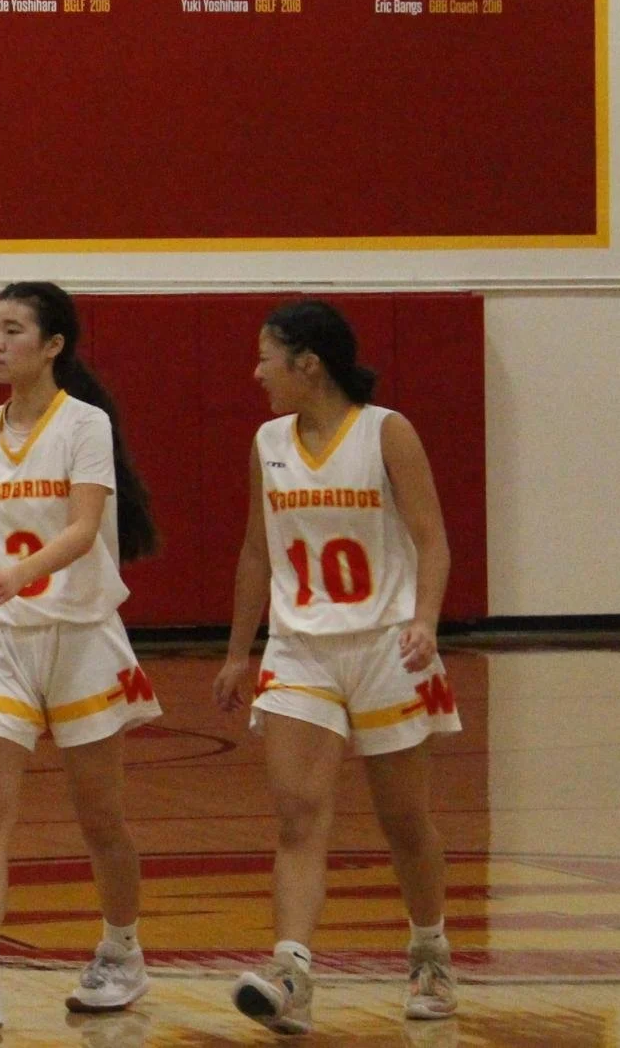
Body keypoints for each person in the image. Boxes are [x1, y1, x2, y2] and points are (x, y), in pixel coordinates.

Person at [213, 299, 462, 1035]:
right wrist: (238, 651)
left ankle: (430, 951)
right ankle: (291, 972)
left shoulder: (387, 431)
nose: (256, 373)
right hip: (301, 649)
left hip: (386, 644)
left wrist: (425, 620)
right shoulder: (268, 441)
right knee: (297, 814)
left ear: (309, 362)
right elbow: (255, 549)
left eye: (266, 357)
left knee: (404, 819)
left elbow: (432, 537)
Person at [0, 281, 162, 1035]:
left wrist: (17, 574)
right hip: (2, 641)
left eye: (13, 330)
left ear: (53, 344)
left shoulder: (84, 424)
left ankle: (122, 949)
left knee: (101, 816)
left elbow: (84, 529)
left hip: (80, 636)